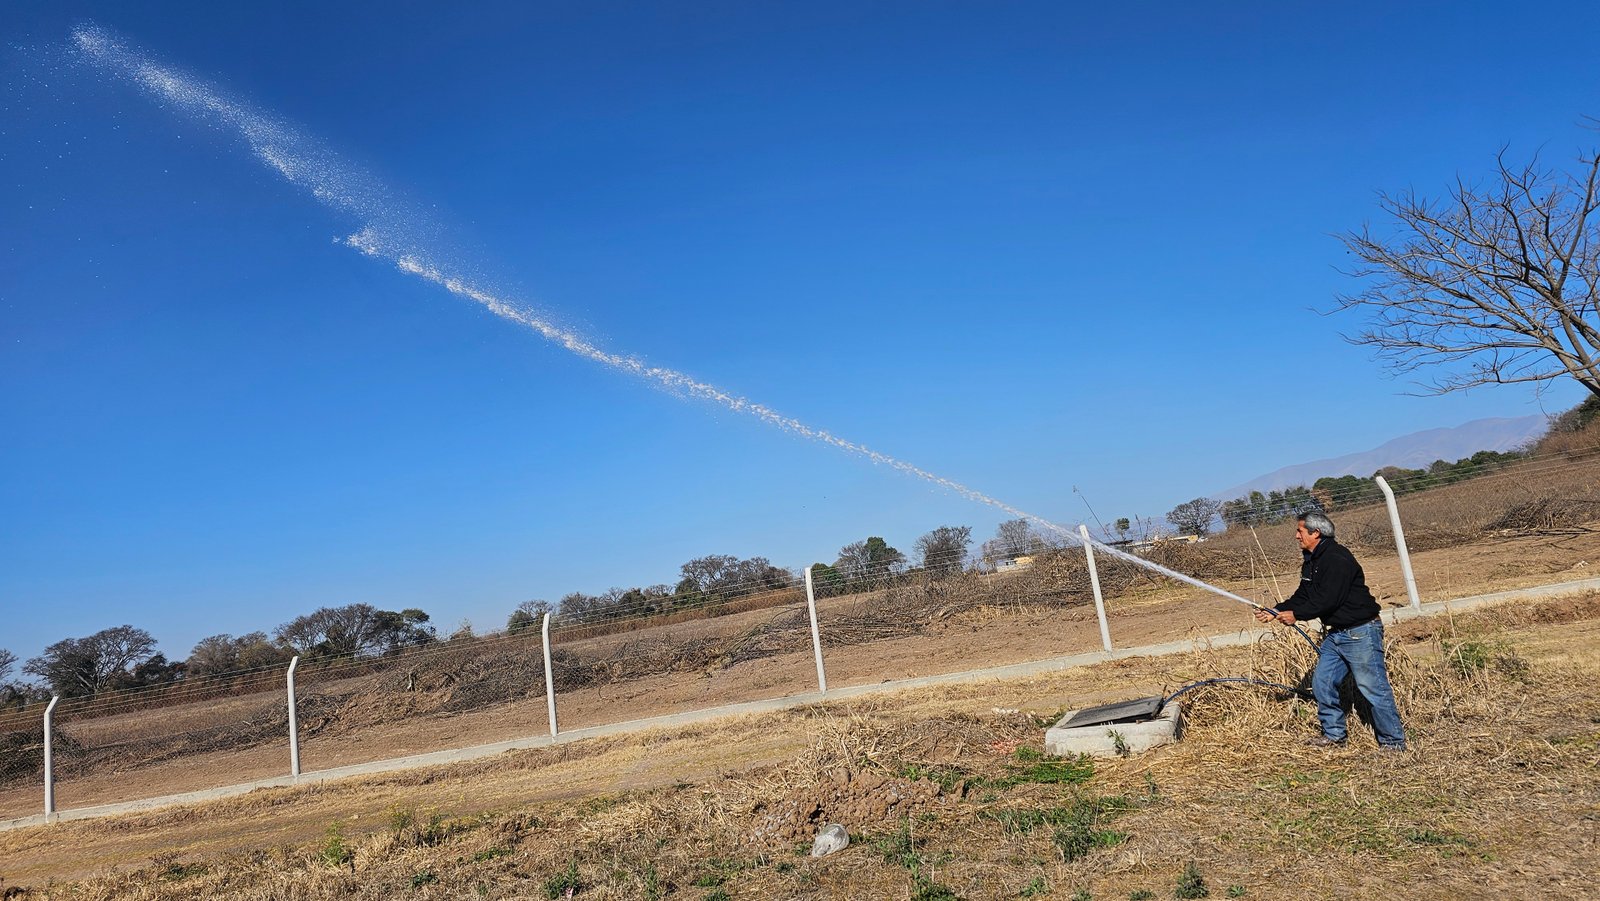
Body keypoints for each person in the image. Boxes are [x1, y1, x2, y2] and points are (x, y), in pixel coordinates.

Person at [1254, 511, 1407, 750]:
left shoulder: (1337, 558)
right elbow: (1304, 595)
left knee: (1373, 688)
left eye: (1300, 531)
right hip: (1336, 634)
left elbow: (1328, 600)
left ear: (1316, 533)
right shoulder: (1311, 560)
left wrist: (1297, 615)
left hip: (1360, 632)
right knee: (1323, 682)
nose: (1296, 536)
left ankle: (1393, 743)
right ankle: (1335, 735)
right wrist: (1276, 610)